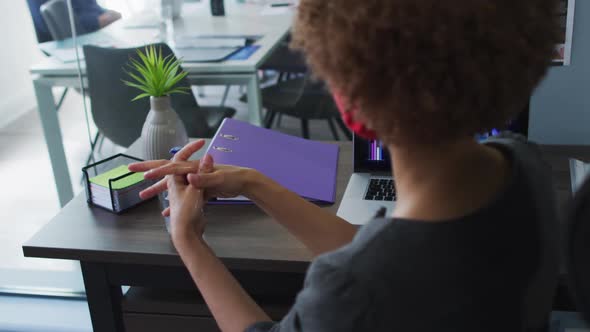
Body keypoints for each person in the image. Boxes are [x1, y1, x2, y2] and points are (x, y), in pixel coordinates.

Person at [129, 0, 561, 331]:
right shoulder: (525, 164)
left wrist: (189, 240)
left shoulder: (352, 289)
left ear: (351, 108)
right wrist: (251, 182)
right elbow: (384, 255)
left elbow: (370, 271)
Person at [27, 0, 121, 43]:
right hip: (71, 42)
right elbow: (46, 25)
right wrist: (97, 21)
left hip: (98, 35)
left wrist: (107, 13)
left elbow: (91, 7)